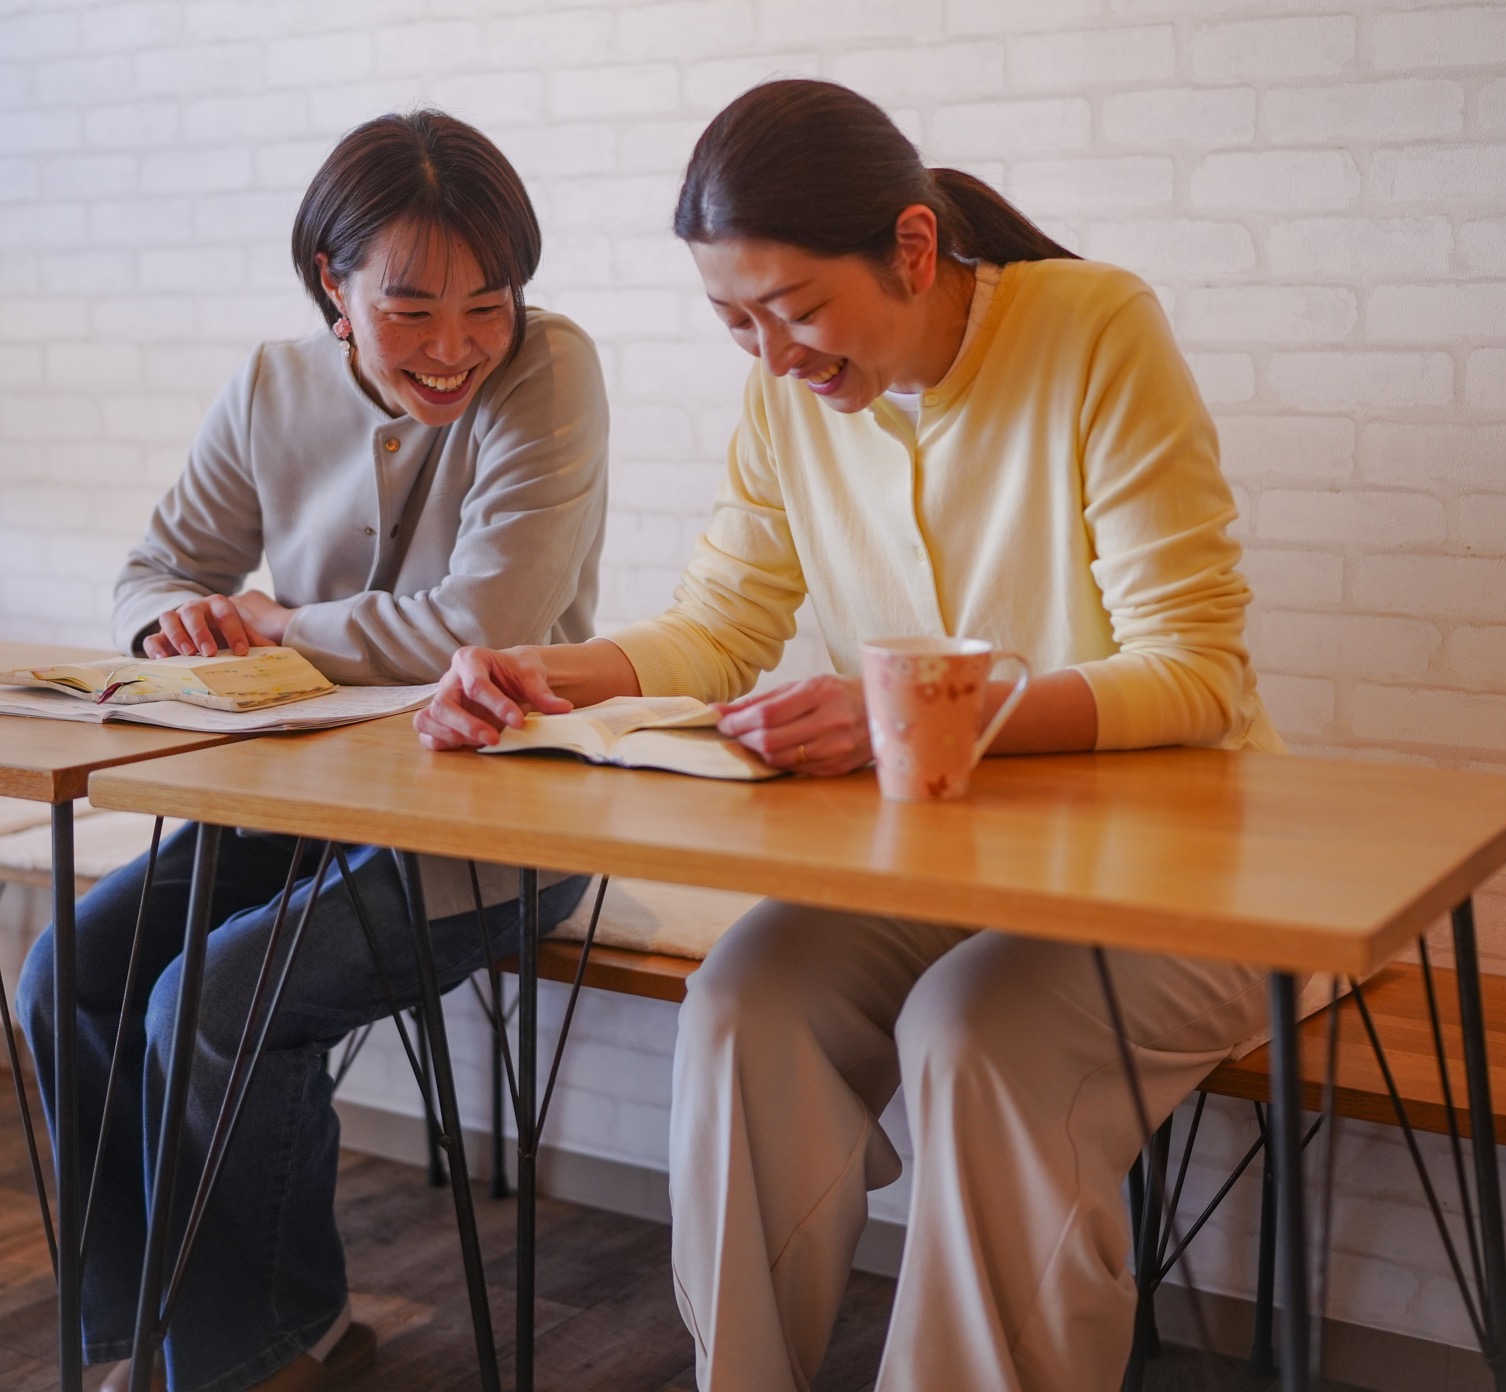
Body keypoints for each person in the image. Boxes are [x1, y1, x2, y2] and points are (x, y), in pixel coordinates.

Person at [417, 79, 1282, 1392]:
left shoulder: (1096, 326)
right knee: (744, 1002)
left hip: (1173, 872)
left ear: (914, 249)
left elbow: (1197, 673)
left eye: (798, 309)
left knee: (976, 1035)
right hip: (933, 865)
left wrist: (919, 716)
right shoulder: (785, 397)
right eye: (734, 323)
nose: (772, 356)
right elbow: (720, 625)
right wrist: (546, 674)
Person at [20, 111, 604, 1392]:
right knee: (67, 974)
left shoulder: (550, 371)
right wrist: (170, 621)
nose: (454, 350)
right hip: (298, 805)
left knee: (210, 1004)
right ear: (332, 288)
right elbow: (154, 567)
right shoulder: (272, 384)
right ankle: (149, 1333)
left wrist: (277, 621)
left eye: (486, 304)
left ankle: (270, 1348)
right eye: (408, 311)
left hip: (503, 823)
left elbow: (483, 626)